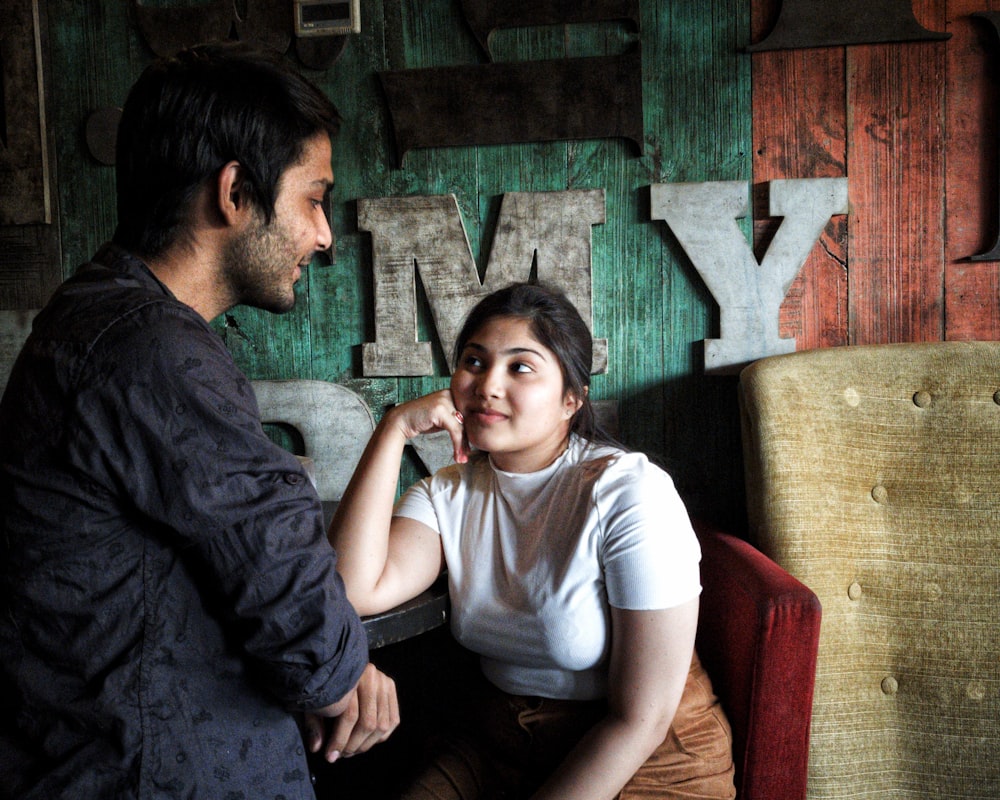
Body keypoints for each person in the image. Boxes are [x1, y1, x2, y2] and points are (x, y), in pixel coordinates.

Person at [0, 42, 398, 800]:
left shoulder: (105, 315)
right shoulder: (147, 347)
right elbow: (269, 549)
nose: (324, 235)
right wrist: (348, 676)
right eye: (314, 198)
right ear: (235, 192)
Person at [330, 282, 736, 799]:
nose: (487, 385)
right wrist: (394, 429)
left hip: (649, 756)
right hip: (499, 744)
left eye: (519, 367)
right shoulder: (447, 493)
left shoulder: (629, 493)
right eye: (474, 362)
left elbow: (643, 719)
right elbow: (352, 589)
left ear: (572, 399)